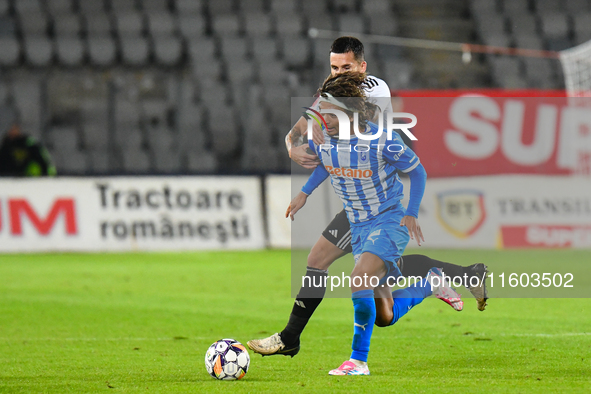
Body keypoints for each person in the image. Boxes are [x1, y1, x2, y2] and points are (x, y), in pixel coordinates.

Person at [247, 37, 487, 358]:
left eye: (345, 67)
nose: (337, 73)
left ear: (362, 67)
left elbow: (350, 147)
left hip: (377, 201)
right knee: (385, 313)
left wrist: (312, 136)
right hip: (356, 202)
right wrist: (295, 152)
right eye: (333, 67)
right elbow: (304, 136)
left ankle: (299, 340)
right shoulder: (332, 96)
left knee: (328, 262)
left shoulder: (372, 92)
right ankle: (443, 279)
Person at [295, 71, 462, 375]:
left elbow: (418, 172)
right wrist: (304, 194)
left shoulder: (382, 138)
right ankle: (430, 283)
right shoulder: (327, 140)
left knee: (358, 278)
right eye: (322, 112)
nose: (323, 118)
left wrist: (411, 212)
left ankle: (358, 361)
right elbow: (325, 166)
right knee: (384, 315)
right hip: (358, 226)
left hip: (388, 221)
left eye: (329, 113)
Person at [0, 107, 56, 177]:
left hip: (31, 179)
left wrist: (48, 175)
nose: (12, 131)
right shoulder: (6, 145)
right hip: (9, 179)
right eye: (11, 129)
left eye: (15, 128)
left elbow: (43, 161)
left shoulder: (29, 144)